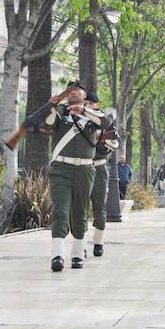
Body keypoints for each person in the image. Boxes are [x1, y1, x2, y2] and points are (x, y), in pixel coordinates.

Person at [40, 81, 107, 272]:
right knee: (60, 211)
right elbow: (47, 124)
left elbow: (105, 122)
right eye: (69, 92)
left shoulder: (92, 116)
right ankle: (57, 255)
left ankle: (77, 255)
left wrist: (84, 111)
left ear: (84, 96)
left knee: (79, 212)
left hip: (85, 171)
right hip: (61, 169)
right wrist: (52, 106)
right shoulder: (60, 114)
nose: (72, 94)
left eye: (76, 91)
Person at [85, 91, 118, 258]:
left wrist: (99, 141)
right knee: (80, 208)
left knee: (99, 208)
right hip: (82, 169)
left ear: (96, 105)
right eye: (86, 103)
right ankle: (80, 243)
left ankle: (98, 242)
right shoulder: (80, 122)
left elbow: (110, 146)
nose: (88, 106)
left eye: (91, 103)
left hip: (98, 168)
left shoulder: (104, 124)